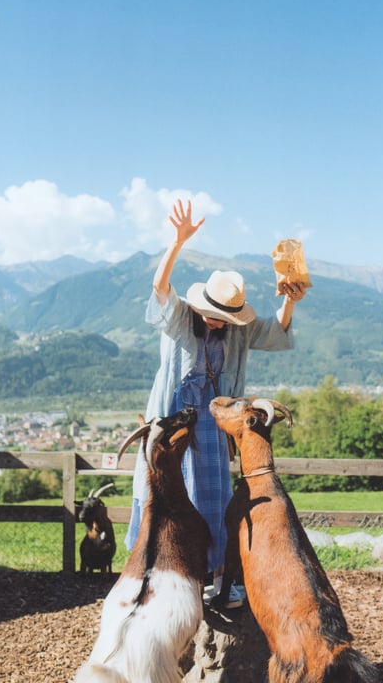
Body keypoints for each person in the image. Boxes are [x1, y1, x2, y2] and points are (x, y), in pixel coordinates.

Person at [124, 199, 307, 608]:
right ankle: (165, 575)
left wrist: (291, 300)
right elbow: (159, 291)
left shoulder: (238, 332)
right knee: (168, 492)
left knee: (215, 497)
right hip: (177, 419)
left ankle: (219, 579)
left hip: (213, 422)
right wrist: (177, 243)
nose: (217, 321)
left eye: (225, 316)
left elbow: (277, 330)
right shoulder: (180, 319)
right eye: (212, 313)